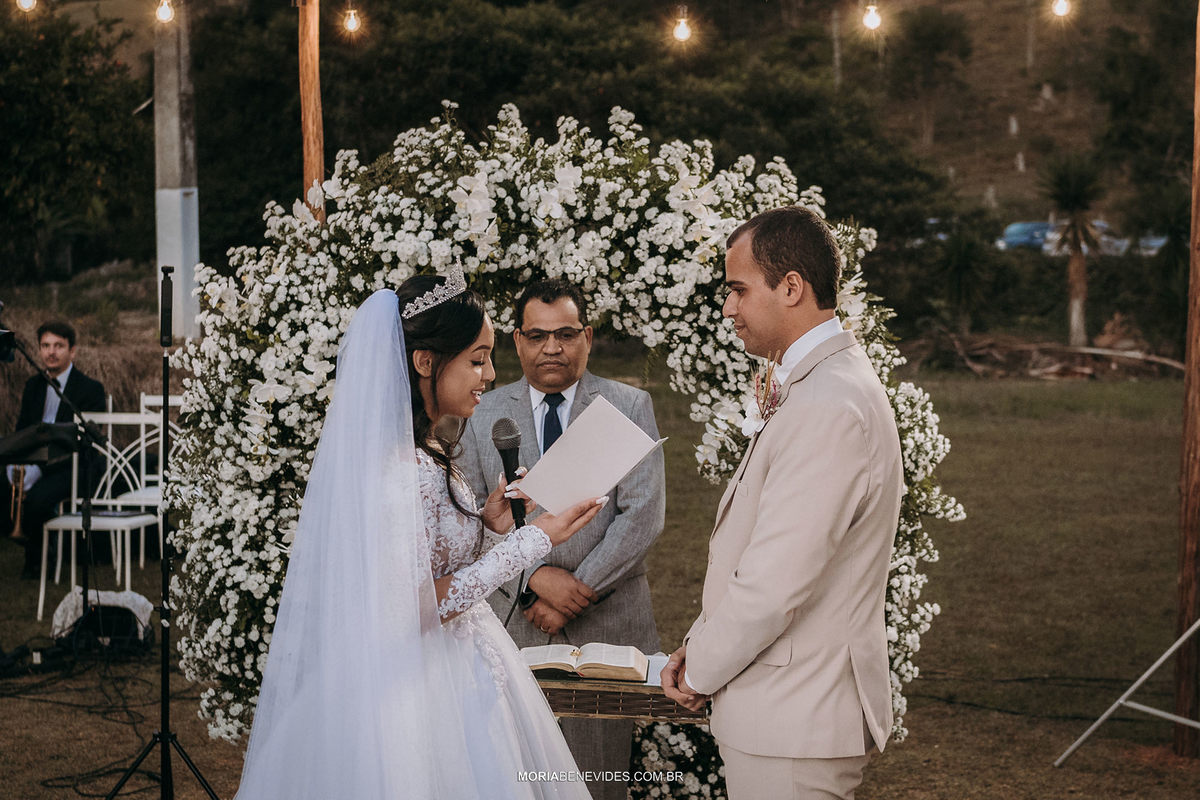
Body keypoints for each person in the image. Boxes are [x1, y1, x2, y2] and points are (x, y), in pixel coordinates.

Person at [234, 277, 606, 800]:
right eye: (477, 360)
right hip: (416, 689)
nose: (490, 376)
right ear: (425, 362)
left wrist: (489, 523)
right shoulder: (393, 472)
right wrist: (530, 543)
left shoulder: (425, 450)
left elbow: (431, 558)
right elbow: (410, 607)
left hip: (466, 664)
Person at [661, 207, 904, 800]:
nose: (727, 308)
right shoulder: (820, 385)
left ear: (790, 287)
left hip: (797, 718)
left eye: (738, 289)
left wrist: (700, 668)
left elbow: (776, 581)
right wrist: (703, 644)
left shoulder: (828, 403)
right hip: (784, 709)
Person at [459, 279, 665, 800]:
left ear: (588, 337)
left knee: (596, 777)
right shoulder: (479, 413)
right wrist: (532, 582)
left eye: (566, 334)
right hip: (513, 620)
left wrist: (577, 590)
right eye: (537, 335)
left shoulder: (628, 403)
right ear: (517, 340)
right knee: (513, 774)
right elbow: (469, 519)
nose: (552, 347)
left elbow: (642, 516)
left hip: (603, 623)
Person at [2, 321, 106, 579]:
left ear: (72, 351)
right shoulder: (32, 386)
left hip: (70, 465)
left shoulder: (90, 389)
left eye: (59, 346)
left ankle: (37, 560)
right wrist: (17, 463)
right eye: (45, 345)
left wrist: (40, 468)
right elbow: (22, 431)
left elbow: (85, 442)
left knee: (38, 500)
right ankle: (29, 541)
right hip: (33, 461)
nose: (51, 352)